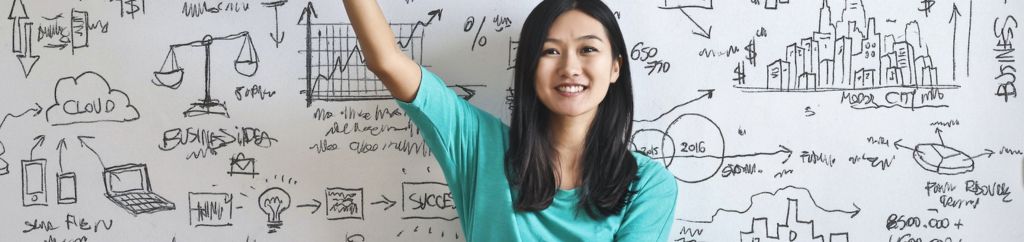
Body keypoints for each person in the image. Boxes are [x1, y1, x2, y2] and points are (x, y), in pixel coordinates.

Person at [342, 0, 677, 241]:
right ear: (530, 68)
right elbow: (386, 61)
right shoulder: (478, 145)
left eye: (588, 49)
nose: (570, 67)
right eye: (550, 51)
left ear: (616, 67)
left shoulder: (648, 185)